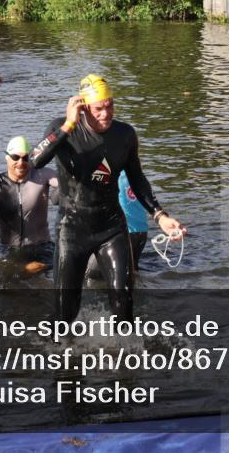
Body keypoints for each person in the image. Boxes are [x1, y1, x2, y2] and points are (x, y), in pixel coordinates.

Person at [31, 75, 187, 323]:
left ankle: (125, 355)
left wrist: (160, 216)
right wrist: (68, 126)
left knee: (123, 303)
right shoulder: (62, 128)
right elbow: (34, 161)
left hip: (111, 227)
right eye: (98, 108)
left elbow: (137, 178)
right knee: (65, 311)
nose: (106, 114)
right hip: (72, 230)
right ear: (83, 108)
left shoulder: (124, 134)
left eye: (110, 106)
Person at [0, 136, 59, 276]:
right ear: (6, 157)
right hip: (9, 249)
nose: (21, 163)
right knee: (14, 278)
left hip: (43, 247)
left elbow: (65, 183)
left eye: (26, 158)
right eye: (15, 157)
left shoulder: (43, 175)